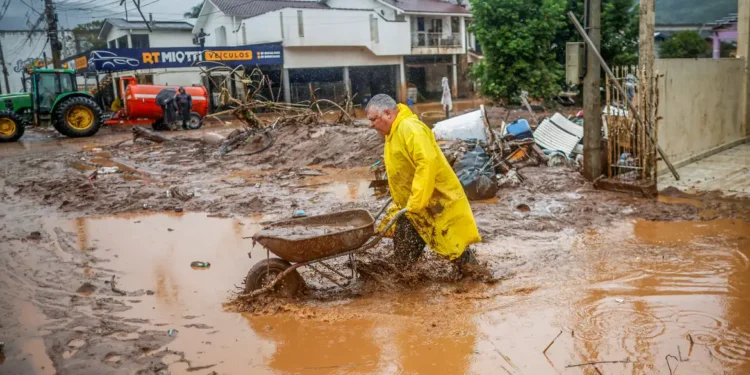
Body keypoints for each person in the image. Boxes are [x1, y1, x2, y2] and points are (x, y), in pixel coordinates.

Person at [365, 94, 487, 279]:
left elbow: (427, 162)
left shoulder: (410, 128)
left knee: (454, 246)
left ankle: (480, 281)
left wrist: (416, 200)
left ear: (388, 114)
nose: (371, 125)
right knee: (404, 261)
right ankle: (409, 286)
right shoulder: (394, 132)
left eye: (373, 119)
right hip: (414, 206)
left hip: (433, 202)